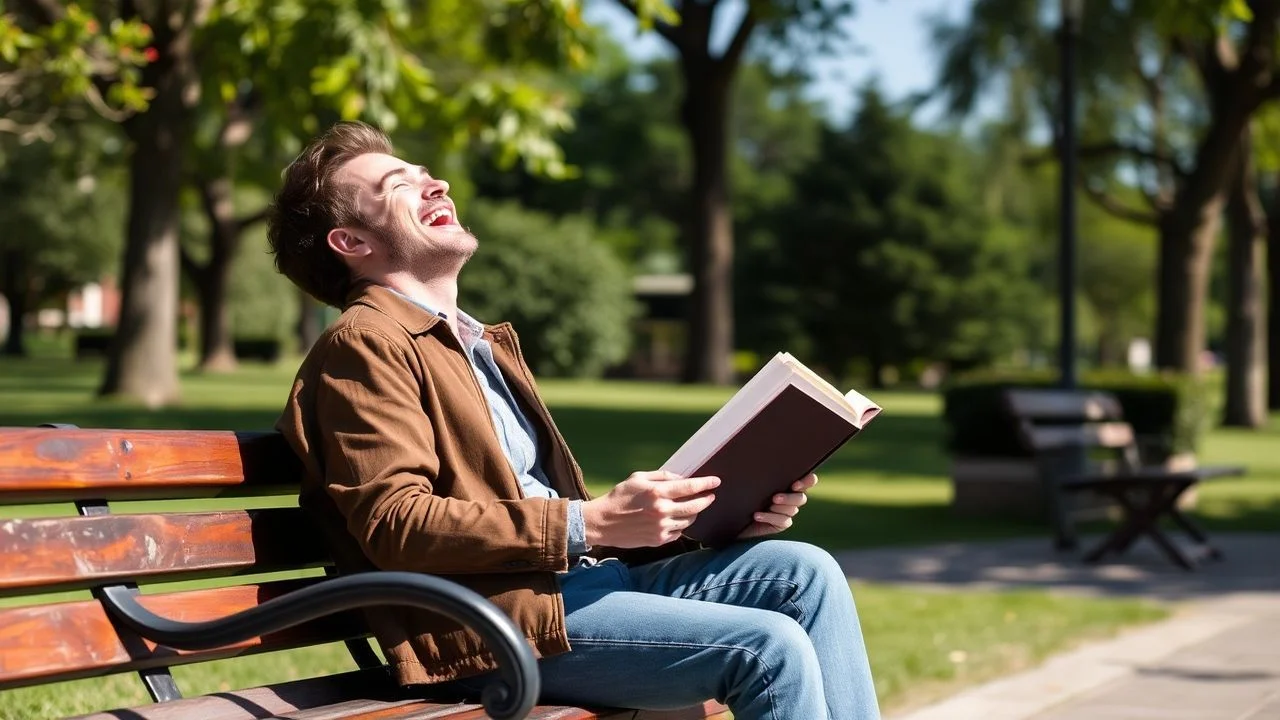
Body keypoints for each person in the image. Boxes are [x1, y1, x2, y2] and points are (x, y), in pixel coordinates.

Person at [268, 121, 880, 720]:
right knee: (767, 648)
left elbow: (540, 510)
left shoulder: (473, 345)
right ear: (351, 242)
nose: (438, 185)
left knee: (807, 573)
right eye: (399, 186)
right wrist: (594, 520)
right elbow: (395, 523)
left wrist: (705, 515)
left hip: (578, 590)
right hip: (499, 628)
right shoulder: (364, 344)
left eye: (426, 174)